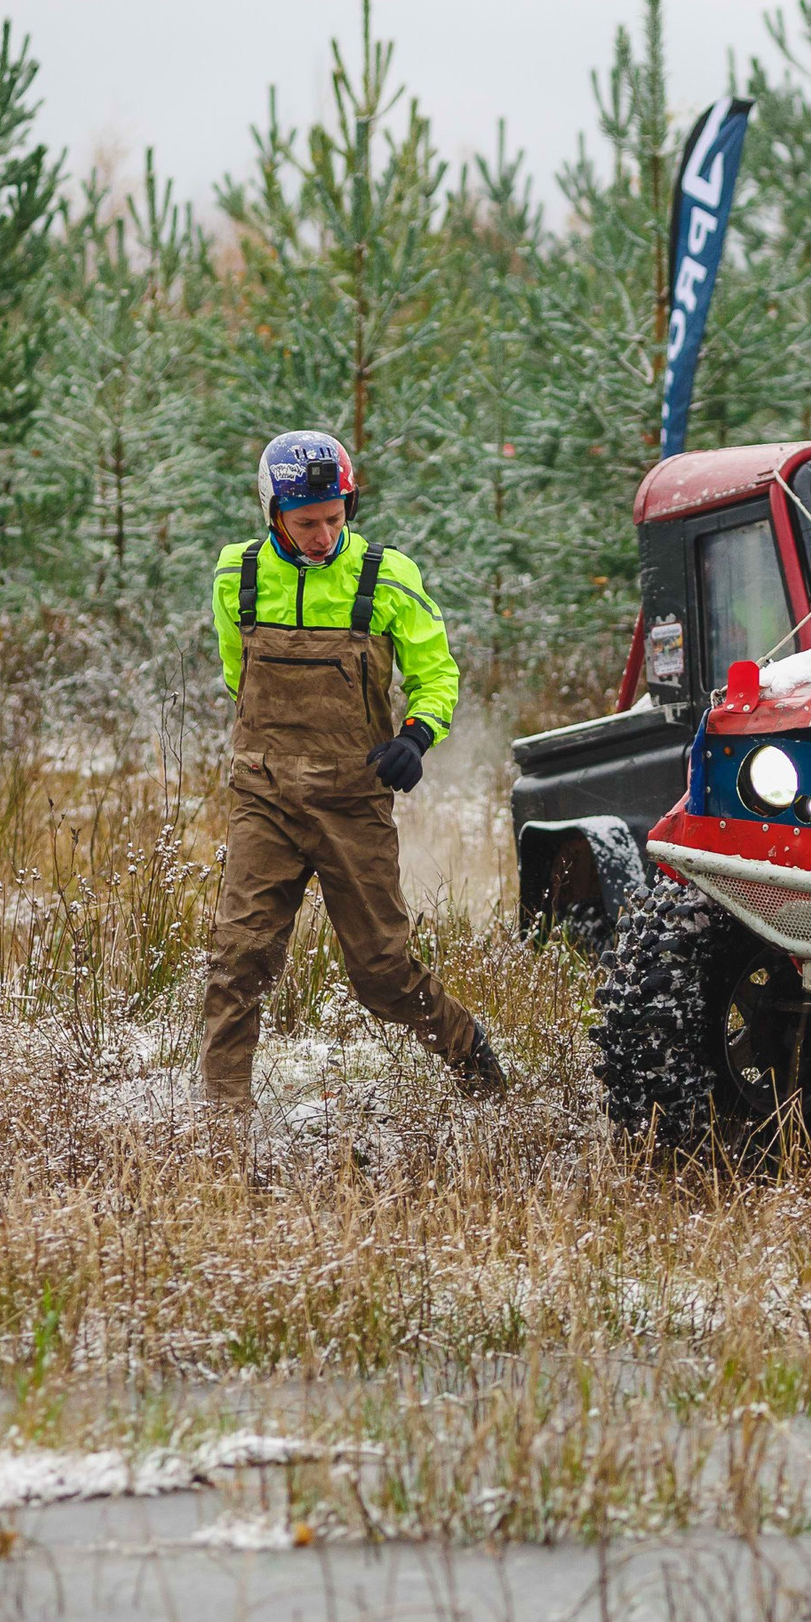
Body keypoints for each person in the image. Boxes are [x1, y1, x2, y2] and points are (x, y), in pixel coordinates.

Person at [199, 430, 506, 1112]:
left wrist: (416, 736)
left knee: (384, 976)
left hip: (353, 802)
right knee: (236, 961)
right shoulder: (234, 575)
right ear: (271, 510)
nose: (323, 535)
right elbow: (235, 675)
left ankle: (475, 1061)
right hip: (265, 798)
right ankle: (223, 1127)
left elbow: (437, 674)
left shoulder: (388, 575)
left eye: (336, 518)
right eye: (307, 522)